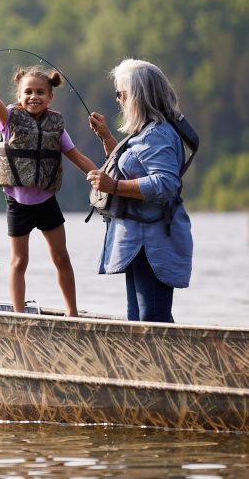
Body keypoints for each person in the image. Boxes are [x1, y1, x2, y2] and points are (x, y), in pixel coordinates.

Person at [0, 61, 98, 317]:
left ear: (50, 96)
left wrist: (101, 177)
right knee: (19, 261)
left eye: (40, 92)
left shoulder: (56, 125)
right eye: (28, 92)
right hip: (17, 204)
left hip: (46, 202)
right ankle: (19, 315)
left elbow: (77, 157)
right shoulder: (9, 119)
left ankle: (72, 313)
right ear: (19, 96)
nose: (34, 97)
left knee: (61, 258)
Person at [87, 58, 192, 323]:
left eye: (120, 94)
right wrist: (107, 138)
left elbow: (165, 184)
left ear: (138, 96)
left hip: (153, 239)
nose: (118, 101)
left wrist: (114, 186)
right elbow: (132, 166)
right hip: (138, 238)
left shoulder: (157, 134)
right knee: (137, 317)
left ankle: (165, 365)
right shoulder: (144, 132)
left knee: (152, 318)